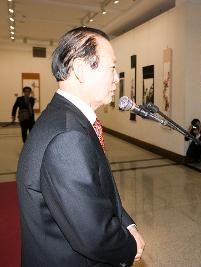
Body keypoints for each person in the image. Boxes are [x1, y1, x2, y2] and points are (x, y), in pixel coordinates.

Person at [16, 27, 145, 266]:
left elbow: (95, 192)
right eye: (112, 67)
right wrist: (129, 245)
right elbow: (94, 237)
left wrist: (127, 223)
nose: (117, 78)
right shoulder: (67, 136)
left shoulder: (66, 118)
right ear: (82, 70)